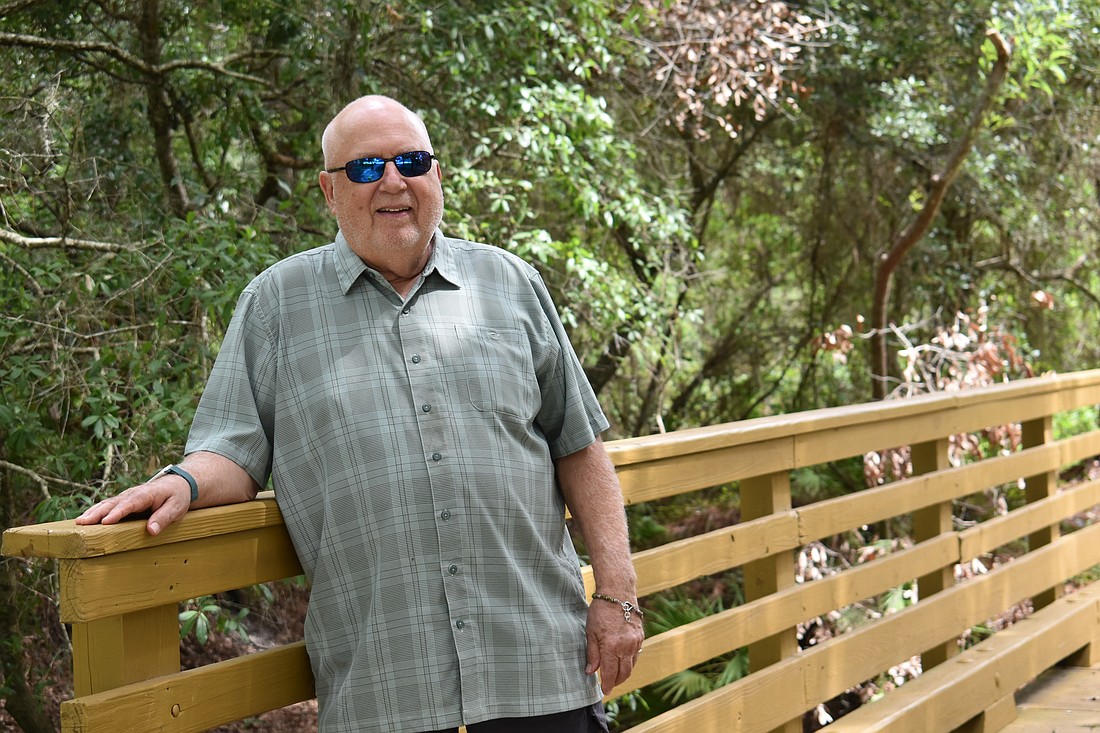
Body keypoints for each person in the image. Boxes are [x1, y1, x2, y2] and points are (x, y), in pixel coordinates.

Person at [76, 95, 643, 733]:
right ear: (329, 191)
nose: (394, 181)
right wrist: (179, 484)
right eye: (367, 169)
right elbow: (233, 450)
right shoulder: (275, 306)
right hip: (385, 691)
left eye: (412, 160)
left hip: (540, 673)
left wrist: (618, 596)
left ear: (436, 175)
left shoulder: (511, 284)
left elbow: (579, 445)